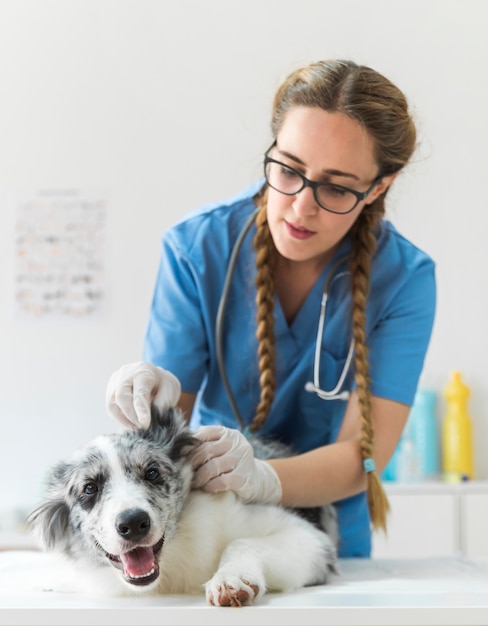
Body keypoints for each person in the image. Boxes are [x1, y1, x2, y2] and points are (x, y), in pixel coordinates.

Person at [106, 59, 436, 558]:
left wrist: (261, 477)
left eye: (337, 187)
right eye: (288, 169)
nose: (302, 206)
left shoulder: (405, 279)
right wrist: (157, 397)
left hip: (327, 538)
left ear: (378, 187)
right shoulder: (198, 249)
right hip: (215, 529)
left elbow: (362, 458)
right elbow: (160, 440)